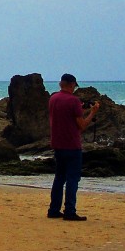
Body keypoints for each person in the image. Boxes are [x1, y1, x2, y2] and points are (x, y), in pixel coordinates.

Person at [48, 73, 99, 221]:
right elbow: (82, 125)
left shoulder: (53, 98)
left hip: (57, 143)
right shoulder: (73, 101)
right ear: (71, 85)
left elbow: (65, 114)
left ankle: (54, 209)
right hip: (72, 144)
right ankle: (70, 210)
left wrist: (80, 109)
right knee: (72, 179)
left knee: (59, 178)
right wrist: (92, 112)